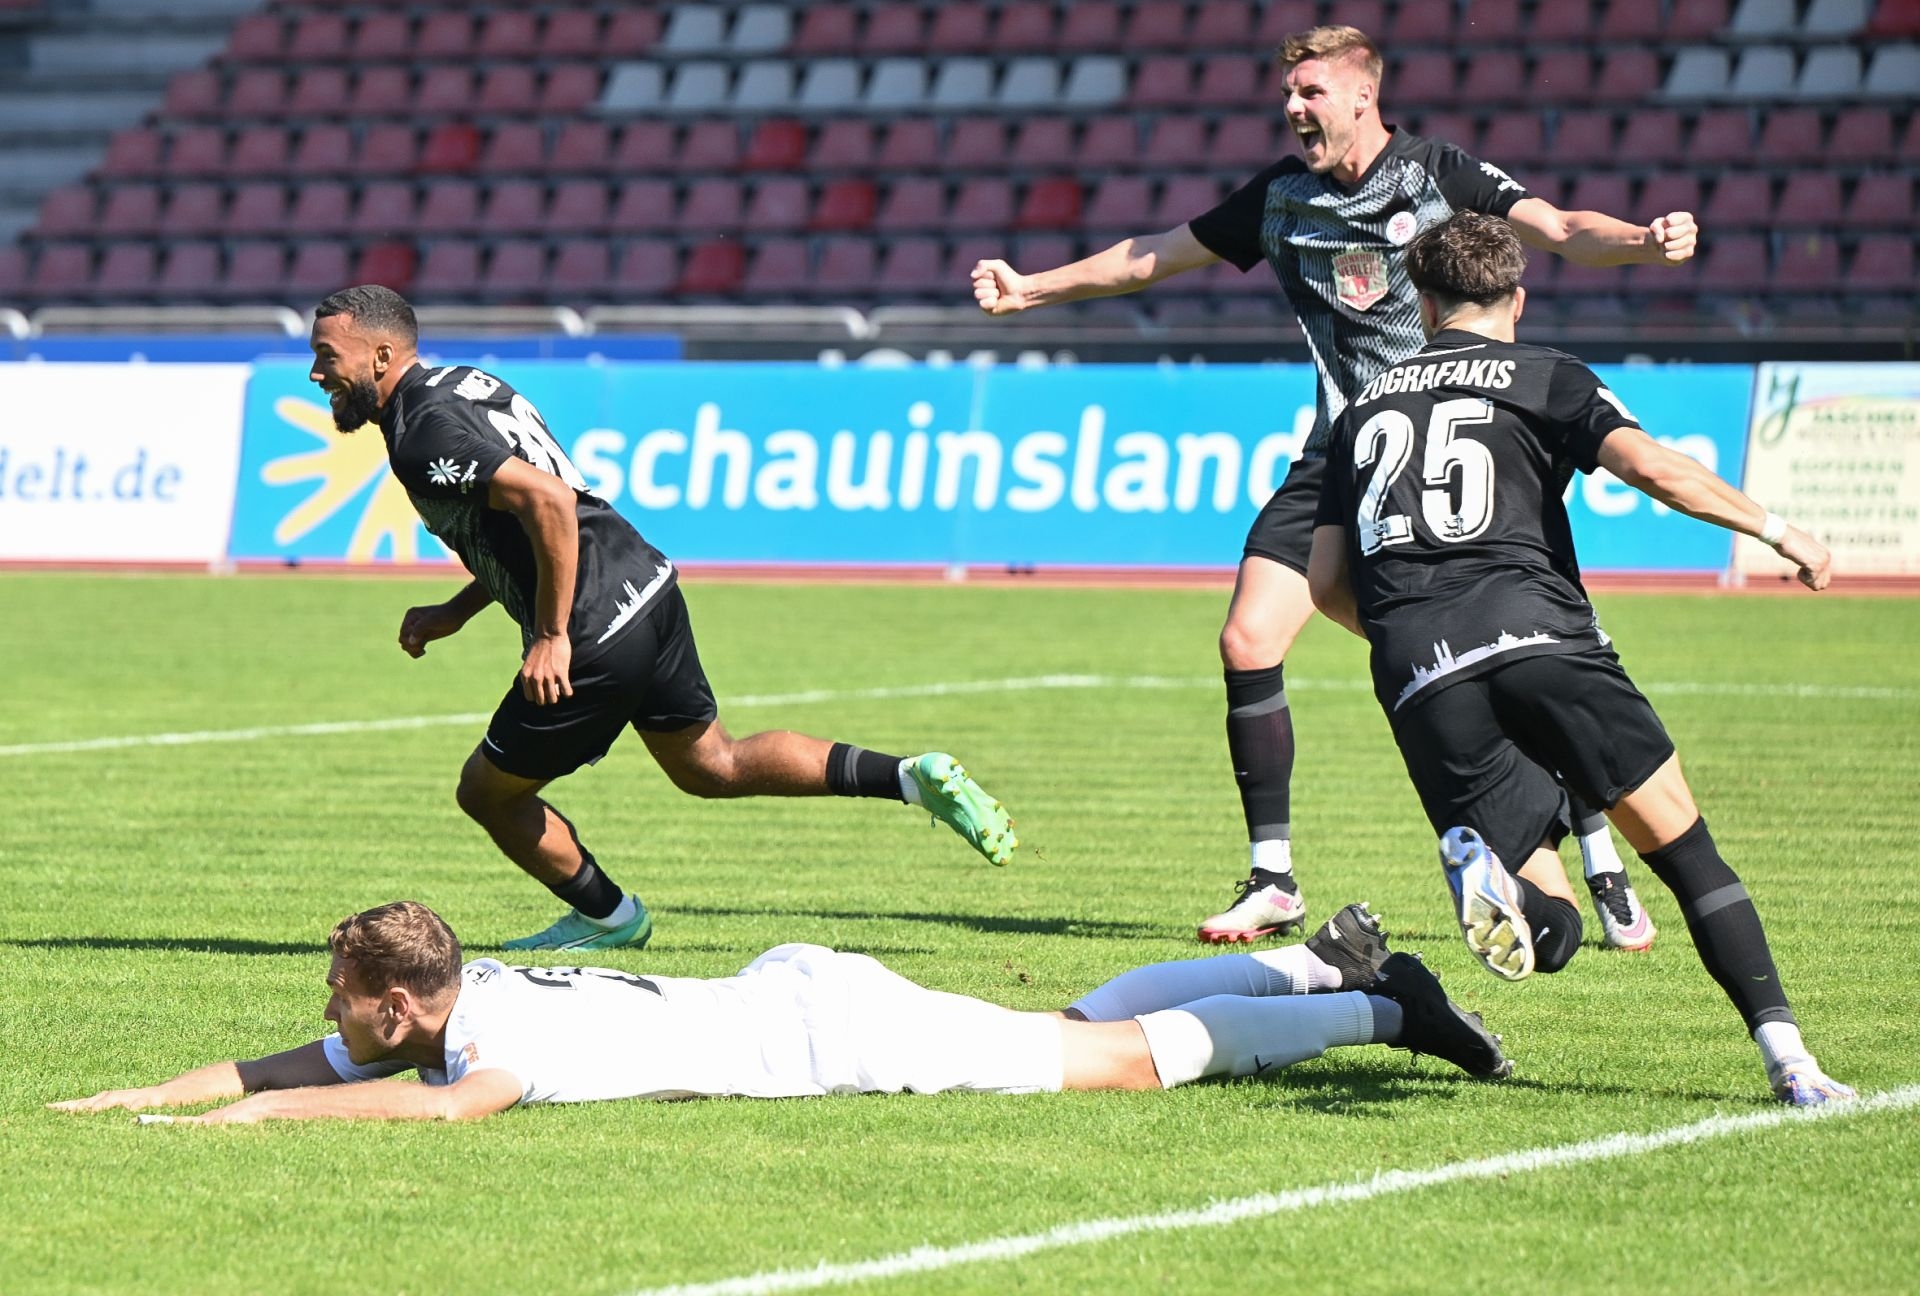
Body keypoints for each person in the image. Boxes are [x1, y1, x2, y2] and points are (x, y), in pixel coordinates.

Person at [972, 25, 1689, 950]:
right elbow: (1156, 253)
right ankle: (1273, 880)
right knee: (1247, 638)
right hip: (1340, 448)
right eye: (1288, 93)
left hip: (1440, 446)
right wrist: (1030, 290)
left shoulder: (1437, 174)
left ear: (1362, 95)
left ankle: (1595, 843)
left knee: (1515, 650)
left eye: (1310, 92)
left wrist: (1642, 241)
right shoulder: (1282, 197)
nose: (1293, 107)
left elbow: (1555, 228)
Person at [1305, 211, 1851, 1106]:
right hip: (1540, 636)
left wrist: (1418, 641)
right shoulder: (1544, 373)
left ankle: (1513, 894)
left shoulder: (1361, 405)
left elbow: (1326, 583)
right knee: (1688, 856)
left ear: (1424, 306)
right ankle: (1792, 1063)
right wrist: (1780, 532)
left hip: (1419, 671)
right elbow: (1655, 470)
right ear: (1516, 299)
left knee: (1550, 929)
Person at [305, 285, 1017, 952]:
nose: (316, 374)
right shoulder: (465, 383)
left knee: (487, 793)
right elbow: (530, 521)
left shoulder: (421, 433)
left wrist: (552, 635)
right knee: (711, 764)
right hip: (647, 585)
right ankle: (910, 776)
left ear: (382, 355)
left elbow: (549, 502)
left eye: (327, 356)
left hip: (589, 627)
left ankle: (610, 918)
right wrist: (458, 609)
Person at [50, 899, 1509, 1122]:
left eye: (339, 998)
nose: (325, 1014)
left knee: (1117, 1065)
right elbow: (280, 1063)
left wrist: (260, 1130)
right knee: (1074, 1022)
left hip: (830, 1035)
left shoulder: (487, 1042)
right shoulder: (456, 992)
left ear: (395, 1005)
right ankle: (1314, 966)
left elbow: (426, 1114)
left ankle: (1385, 1010)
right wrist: (143, 1100)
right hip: (795, 988)